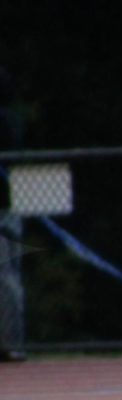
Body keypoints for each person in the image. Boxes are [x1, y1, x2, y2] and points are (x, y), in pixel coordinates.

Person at [0, 64, 24, 363]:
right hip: (11, 206)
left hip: (5, 207)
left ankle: (11, 343)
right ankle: (12, 341)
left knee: (7, 275)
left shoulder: (6, 122)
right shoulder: (15, 120)